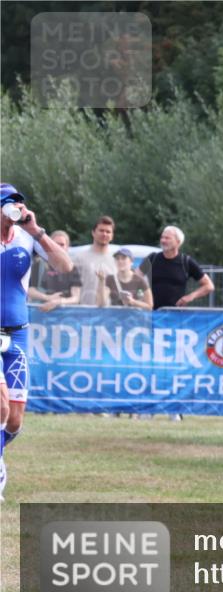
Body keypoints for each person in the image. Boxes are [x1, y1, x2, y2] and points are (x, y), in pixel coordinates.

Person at [1, 183, 73, 501]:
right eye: (8, 203)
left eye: (19, 202)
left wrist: (38, 230)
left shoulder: (28, 236)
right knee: (0, 405)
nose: (15, 207)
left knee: (15, 419)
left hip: (18, 333)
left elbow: (65, 267)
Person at [140, 226, 214, 310]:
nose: (163, 240)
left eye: (167, 238)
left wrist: (190, 296)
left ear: (178, 242)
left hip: (176, 316)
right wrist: (140, 293)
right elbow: (135, 278)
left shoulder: (186, 262)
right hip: (152, 314)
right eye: (162, 237)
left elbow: (209, 286)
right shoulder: (152, 258)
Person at [28, 230, 81, 312]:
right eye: (55, 244)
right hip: (40, 314)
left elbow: (76, 298)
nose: (59, 247)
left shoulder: (72, 268)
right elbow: (29, 290)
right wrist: (47, 298)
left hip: (65, 316)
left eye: (62, 244)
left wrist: (57, 302)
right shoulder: (38, 264)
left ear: (67, 247)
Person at [74, 215, 118, 305]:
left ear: (112, 236)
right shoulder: (80, 258)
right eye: (101, 230)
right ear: (93, 233)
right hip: (84, 312)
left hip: (109, 314)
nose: (104, 234)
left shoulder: (116, 261)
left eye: (108, 232)